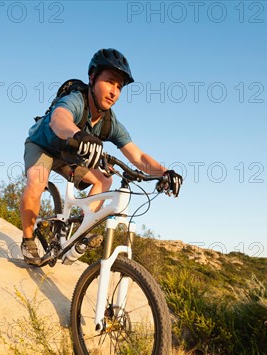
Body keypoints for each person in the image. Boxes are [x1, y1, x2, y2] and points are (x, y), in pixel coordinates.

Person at [20, 48, 182, 265]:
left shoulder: (109, 122)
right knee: (37, 181)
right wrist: (80, 135)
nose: (114, 91)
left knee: (105, 179)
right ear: (93, 78)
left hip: (68, 155)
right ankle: (27, 239)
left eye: (119, 86)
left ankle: (79, 235)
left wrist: (164, 172)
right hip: (43, 146)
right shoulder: (77, 100)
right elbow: (59, 119)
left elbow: (138, 155)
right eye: (110, 81)